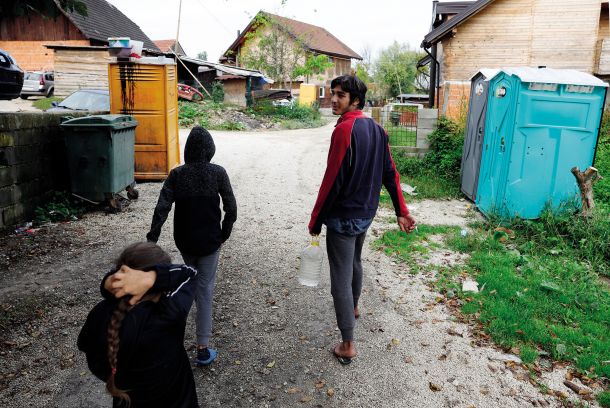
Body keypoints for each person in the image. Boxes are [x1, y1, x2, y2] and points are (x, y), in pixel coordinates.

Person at [308, 75, 416, 365]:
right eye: (333, 94)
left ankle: (347, 343)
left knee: (340, 279)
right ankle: (353, 307)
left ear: (355, 100)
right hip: (366, 214)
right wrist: (400, 210)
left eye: (340, 95)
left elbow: (331, 181)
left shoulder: (344, 130)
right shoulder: (378, 129)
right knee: (355, 261)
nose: (333, 99)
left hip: (343, 218)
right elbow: (390, 174)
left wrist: (315, 221)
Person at [146, 126, 237, 366]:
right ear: (210, 150)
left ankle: (171, 341)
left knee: (189, 284)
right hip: (210, 242)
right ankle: (203, 349)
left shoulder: (177, 174)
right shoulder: (218, 173)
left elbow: (161, 208)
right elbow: (232, 209)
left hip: (185, 242)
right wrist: (223, 235)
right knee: (204, 290)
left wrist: (152, 239)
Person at [78, 242, 200, 407]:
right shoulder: (169, 313)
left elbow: (91, 355)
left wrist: (108, 282)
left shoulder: (99, 314)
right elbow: (190, 274)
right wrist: (153, 277)